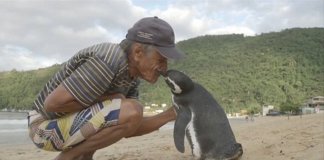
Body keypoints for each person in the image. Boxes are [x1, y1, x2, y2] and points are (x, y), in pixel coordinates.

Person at [28, 16, 184, 160]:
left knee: (130, 110)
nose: (164, 68)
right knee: (130, 108)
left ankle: (82, 157)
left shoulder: (132, 78)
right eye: (161, 60)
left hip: (63, 126)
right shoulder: (109, 58)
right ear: (138, 52)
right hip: (42, 127)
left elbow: (130, 126)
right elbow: (52, 105)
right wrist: (110, 99)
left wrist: (171, 114)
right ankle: (68, 157)